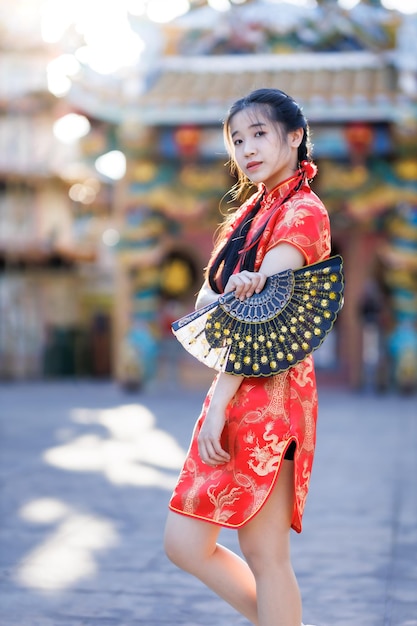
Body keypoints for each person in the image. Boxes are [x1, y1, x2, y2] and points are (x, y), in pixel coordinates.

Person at [164, 88, 331, 626]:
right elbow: (207, 304)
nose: (247, 149)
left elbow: (265, 322)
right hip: (233, 387)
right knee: (185, 543)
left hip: (272, 398)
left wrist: (217, 406)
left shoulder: (303, 213)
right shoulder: (252, 212)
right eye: (237, 139)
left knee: (266, 554)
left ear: (294, 136)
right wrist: (239, 294)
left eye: (259, 134)